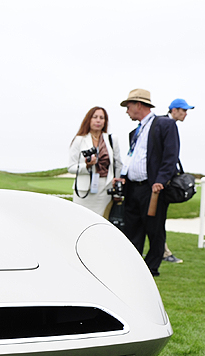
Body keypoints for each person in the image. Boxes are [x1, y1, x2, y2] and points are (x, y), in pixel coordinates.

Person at [119, 88, 179, 277]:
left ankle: (151, 268)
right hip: (133, 188)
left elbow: (171, 156)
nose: (127, 111)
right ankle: (133, 265)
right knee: (132, 229)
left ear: (138, 105)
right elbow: (132, 157)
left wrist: (161, 181)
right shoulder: (134, 132)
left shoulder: (165, 125)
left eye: (128, 106)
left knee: (155, 229)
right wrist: (123, 175)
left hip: (153, 189)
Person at [67, 106, 124, 217]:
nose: (98, 120)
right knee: (81, 219)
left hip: (104, 190)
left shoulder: (112, 140)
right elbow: (71, 167)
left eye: (102, 118)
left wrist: (116, 187)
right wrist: (87, 166)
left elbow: (118, 164)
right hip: (84, 191)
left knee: (101, 222)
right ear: (89, 119)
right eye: (95, 117)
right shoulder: (79, 140)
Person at [160, 98, 195, 264]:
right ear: (174, 110)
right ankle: (163, 252)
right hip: (160, 183)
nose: (186, 113)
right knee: (158, 219)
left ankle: (163, 250)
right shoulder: (168, 124)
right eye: (183, 110)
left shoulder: (162, 122)